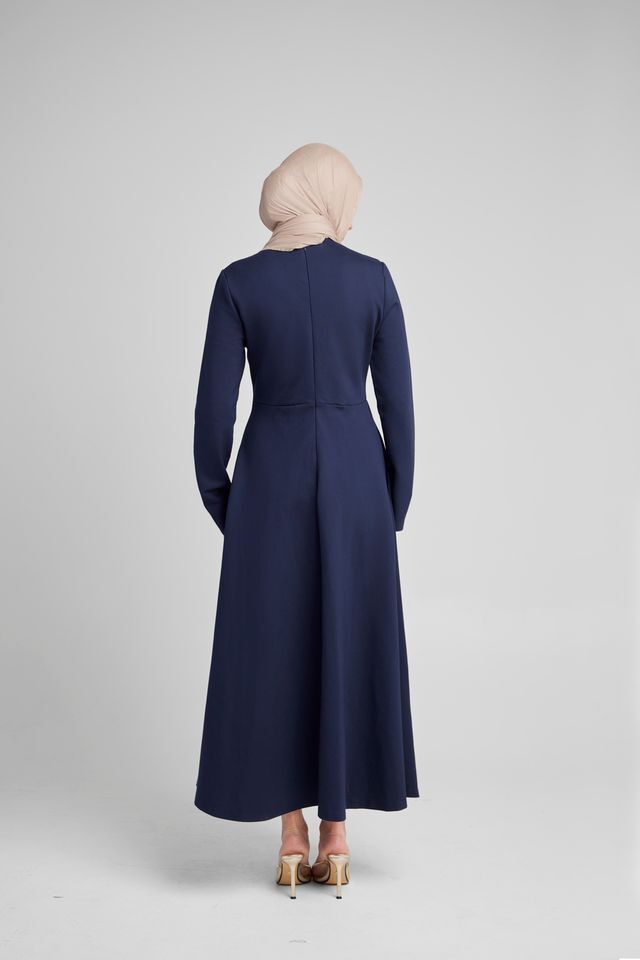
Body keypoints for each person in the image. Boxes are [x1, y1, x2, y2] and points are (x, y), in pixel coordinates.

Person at [193, 142, 418, 898]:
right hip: (357, 480)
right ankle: (338, 834)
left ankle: (290, 836)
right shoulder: (374, 279)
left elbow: (213, 413)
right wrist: (392, 502)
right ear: (331, 196)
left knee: (276, 644)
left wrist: (228, 504)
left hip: (269, 478)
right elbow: (399, 406)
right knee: (346, 639)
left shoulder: (238, 282)